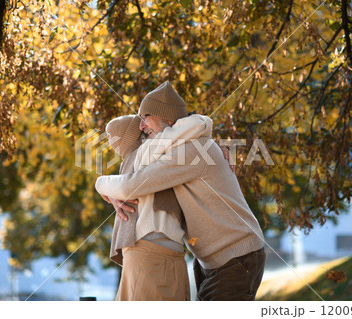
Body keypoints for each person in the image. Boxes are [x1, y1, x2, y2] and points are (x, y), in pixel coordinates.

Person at [96, 81, 266, 300]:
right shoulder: (186, 146)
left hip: (236, 255)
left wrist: (100, 183)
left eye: (145, 117)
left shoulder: (190, 150)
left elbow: (131, 185)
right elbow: (135, 152)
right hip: (211, 259)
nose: (141, 126)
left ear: (167, 118)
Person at [102, 113, 211, 300]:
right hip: (154, 252)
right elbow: (199, 123)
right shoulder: (147, 152)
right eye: (142, 123)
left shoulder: (138, 158)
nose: (144, 126)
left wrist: (101, 183)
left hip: (151, 253)